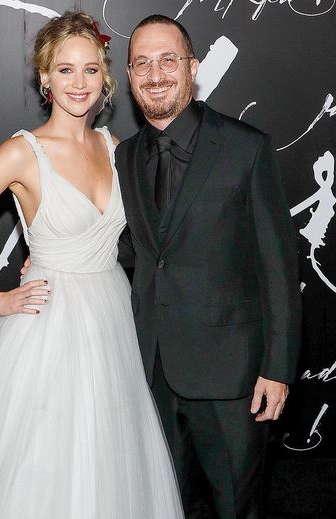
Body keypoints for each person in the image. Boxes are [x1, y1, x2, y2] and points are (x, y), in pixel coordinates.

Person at [0, 12, 185, 519]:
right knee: (42, 464)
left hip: (113, 318)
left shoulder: (115, 149)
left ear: (106, 77)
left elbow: (136, 241)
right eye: (64, 70)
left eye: (90, 70)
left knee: (108, 459)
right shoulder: (22, 153)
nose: (79, 83)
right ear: (45, 79)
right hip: (48, 324)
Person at [114, 14, 302, 519]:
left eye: (168, 60)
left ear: (192, 68)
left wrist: (278, 369)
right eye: (142, 64)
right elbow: (132, 250)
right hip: (150, 367)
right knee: (163, 503)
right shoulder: (125, 157)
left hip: (231, 376)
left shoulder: (246, 146)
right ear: (130, 77)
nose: (156, 74)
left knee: (236, 506)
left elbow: (279, 266)